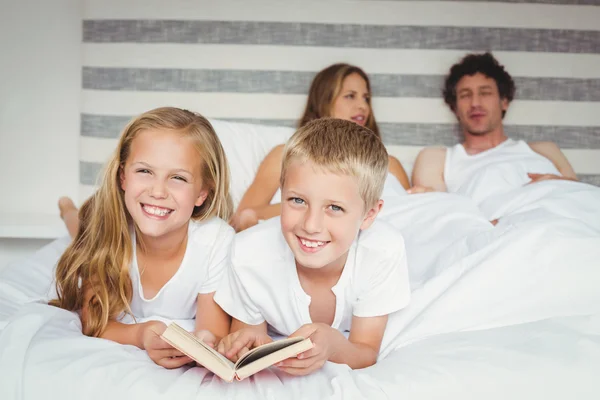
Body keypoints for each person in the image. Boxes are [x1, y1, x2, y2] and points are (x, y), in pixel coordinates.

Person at [214, 118, 411, 375]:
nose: (311, 225)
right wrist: (244, 343)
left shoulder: (382, 251)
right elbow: (247, 335)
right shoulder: (248, 254)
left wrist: (333, 345)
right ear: (282, 193)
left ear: (369, 215)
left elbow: (365, 351)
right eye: (297, 200)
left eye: (335, 208)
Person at [50, 107, 235, 369]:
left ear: (202, 193)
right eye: (145, 172)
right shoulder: (106, 227)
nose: (158, 191)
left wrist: (202, 342)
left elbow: (213, 330)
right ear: (123, 176)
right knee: (77, 225)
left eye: (178, 177)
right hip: (92, 222)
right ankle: (67, 208)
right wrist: (141, 334)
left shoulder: (217, 240)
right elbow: (95, 322)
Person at [230, 63, 410, 232]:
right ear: (324, 100)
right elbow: (245, 217)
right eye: (350, 96)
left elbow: (411, 213)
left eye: (366, 98)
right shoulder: (286, 155)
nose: (363, 106)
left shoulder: (389, 164)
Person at [410, 52, 577, 204]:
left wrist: (556, 184)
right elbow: (434, 209)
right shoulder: (439, 159)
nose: (475, 103)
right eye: (465, 95)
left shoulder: (544, 150)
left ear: (504, 101)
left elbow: (582, 195)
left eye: (485, 93)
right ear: (455, 107)